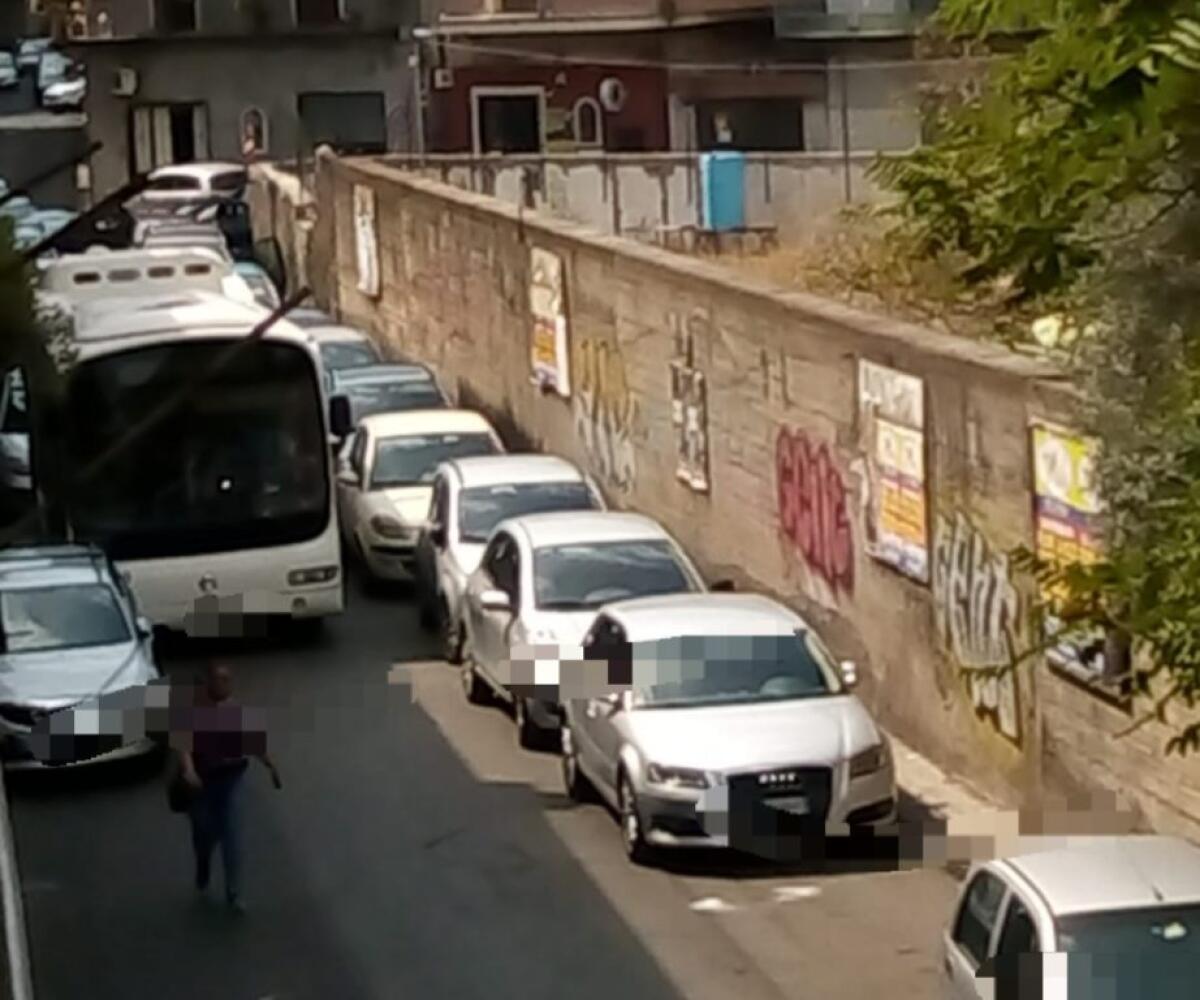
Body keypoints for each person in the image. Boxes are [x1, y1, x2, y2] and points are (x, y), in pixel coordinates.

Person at [174, 661, 281, 913]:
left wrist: (270, 766)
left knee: (232, 834)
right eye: (220, 679)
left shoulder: (236, 710)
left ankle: (233, 891)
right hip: (202, 784)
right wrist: (189, 770)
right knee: (204, 834)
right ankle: (203, 865)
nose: (225, 684)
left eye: (228, 679)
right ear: (208, 683)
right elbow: (183, 745)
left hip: (230, 780)